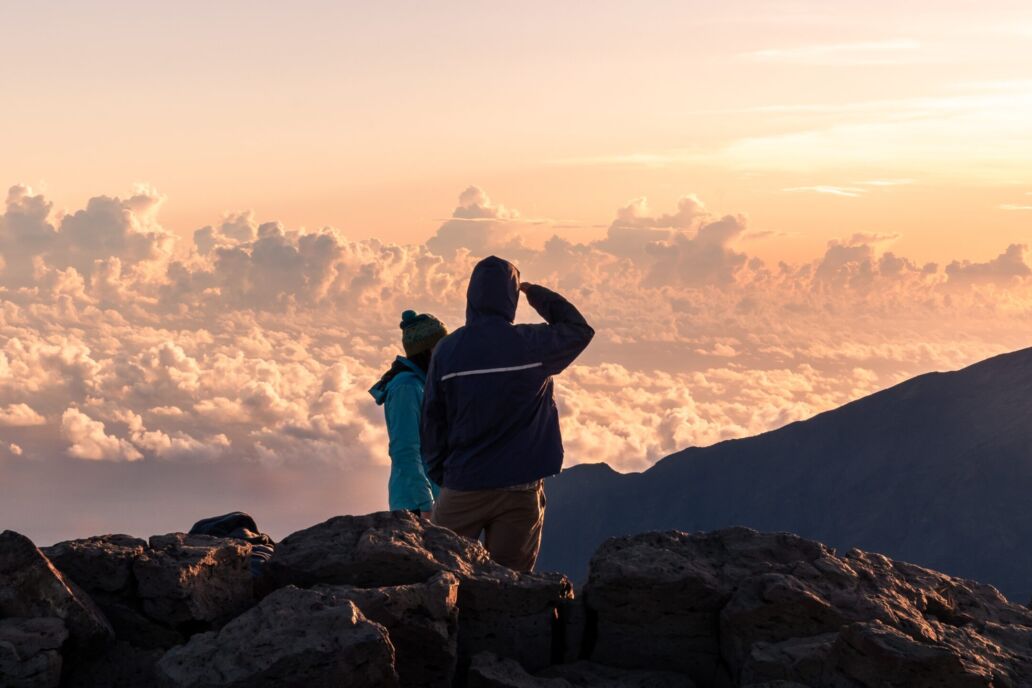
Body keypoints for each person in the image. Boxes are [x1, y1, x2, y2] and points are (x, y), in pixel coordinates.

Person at [421, 256, 594, 571]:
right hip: (520, 487)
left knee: (436, 569)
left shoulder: (448, 350)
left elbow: (433, 421)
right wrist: (537, 293)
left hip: (463, 483)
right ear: (511, 298)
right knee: (512, 587)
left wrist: (442, 476)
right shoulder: (532, 344)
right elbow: (579, 330)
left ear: (472, 297)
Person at [370, 310, 448, 517]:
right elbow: (405, 449)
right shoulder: (407, 387)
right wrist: (425, 505)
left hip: (431, 499)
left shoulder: (422, 385)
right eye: (443, 348)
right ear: (430, 351)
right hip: (415, 506)